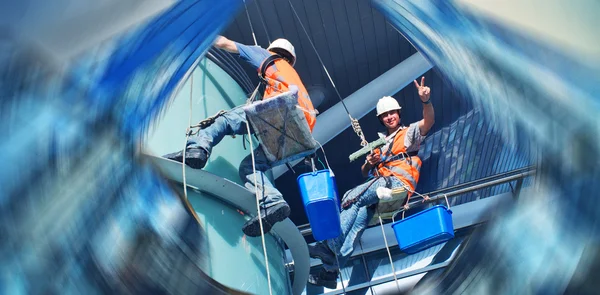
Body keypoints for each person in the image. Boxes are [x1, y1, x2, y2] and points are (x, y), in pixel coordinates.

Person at [164, 36, 316, 237]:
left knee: (226, 121)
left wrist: (203, 34)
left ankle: (197, 149)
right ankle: (272, 202)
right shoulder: (292, 74)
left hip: (280, 110)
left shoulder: (267, 56)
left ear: (274, 50)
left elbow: (226, 44)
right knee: (251, 167)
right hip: (301, 129)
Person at [307, 77, 435, 288]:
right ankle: (330, 273)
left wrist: (426, 101)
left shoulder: (408, 134)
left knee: (350, 197)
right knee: (356, 224)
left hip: (396, 184)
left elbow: (427, 122)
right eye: (385, 115)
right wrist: (369, 163)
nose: (389, 117)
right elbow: (365, 173)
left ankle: (328, 247)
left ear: (399, 114)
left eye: (392, 113)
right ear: (381, 119)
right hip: (383, 193)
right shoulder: (380, 144)